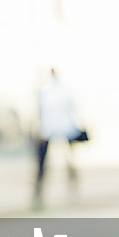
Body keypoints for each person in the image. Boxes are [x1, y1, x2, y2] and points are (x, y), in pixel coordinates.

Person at [32, 68, 82, 209]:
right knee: (60, 161)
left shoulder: (49, 91)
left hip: (57, 128)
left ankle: (70, 189)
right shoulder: (48, 91)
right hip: (54, 128)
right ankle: (40, 193)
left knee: (67, 160)